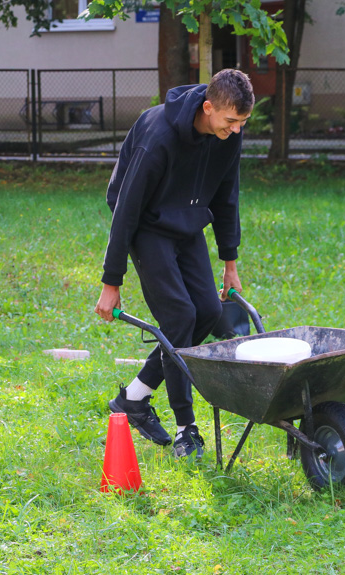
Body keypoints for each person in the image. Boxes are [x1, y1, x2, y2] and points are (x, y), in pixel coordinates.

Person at [94, 69, 254, 459]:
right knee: (180, 317)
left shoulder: (226, 136)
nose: (235, 131)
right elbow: (126, 210)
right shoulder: (159, 135)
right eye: (230, 121)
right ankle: (187, 429)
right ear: (208, 107)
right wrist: (111, 282)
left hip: (187, 221)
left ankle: (133, 398)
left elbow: (227, 196)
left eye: (242, 123)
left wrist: (229, 263)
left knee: (208, 312)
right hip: (147, 225)